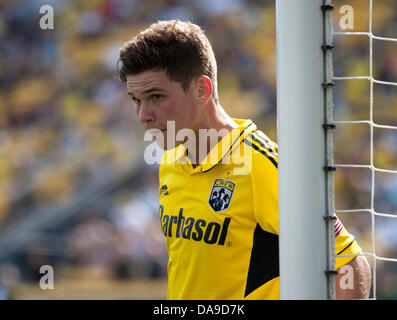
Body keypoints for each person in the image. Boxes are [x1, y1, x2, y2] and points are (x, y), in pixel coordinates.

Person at [118, 20, 371, 299]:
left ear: (202, 89)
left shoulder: (261, 164)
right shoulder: (170, 162)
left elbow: (352, 265)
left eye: (156, 96)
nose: (143, 115)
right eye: (136, 100)